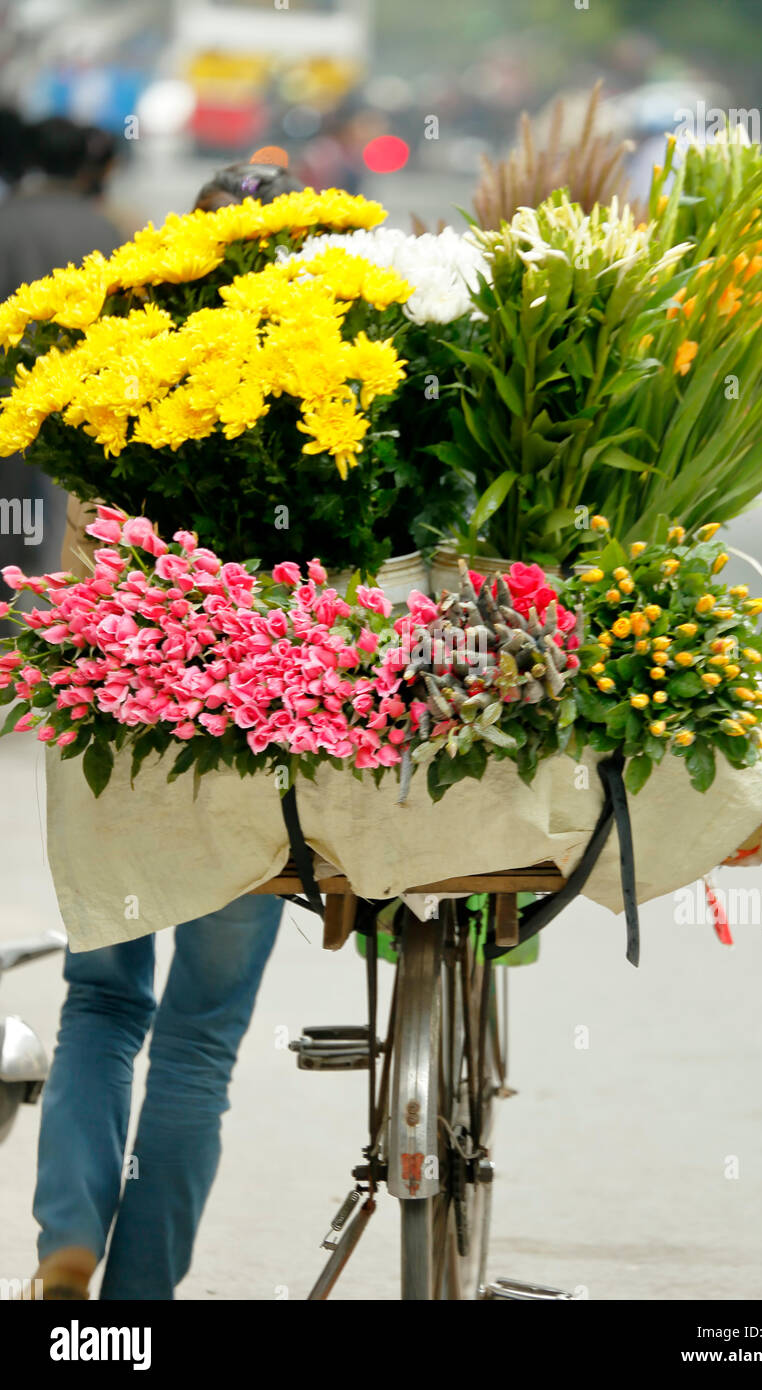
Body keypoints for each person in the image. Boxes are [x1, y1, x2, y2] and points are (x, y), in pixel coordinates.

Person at [31, 158, 302, 1301]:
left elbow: (74, 555)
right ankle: (138, 1308)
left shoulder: (111, 375)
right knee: (198, 1041)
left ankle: (70, 1232)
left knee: (102, 1000)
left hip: (112, 724)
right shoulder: (316, 389)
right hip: (254, 724)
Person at [0, 118, 125, 631]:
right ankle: (48, 621)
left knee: (12, 505)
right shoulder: (102, 227)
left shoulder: (7, 218)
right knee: (59, 515)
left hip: (7, 398)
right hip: (74, 402)